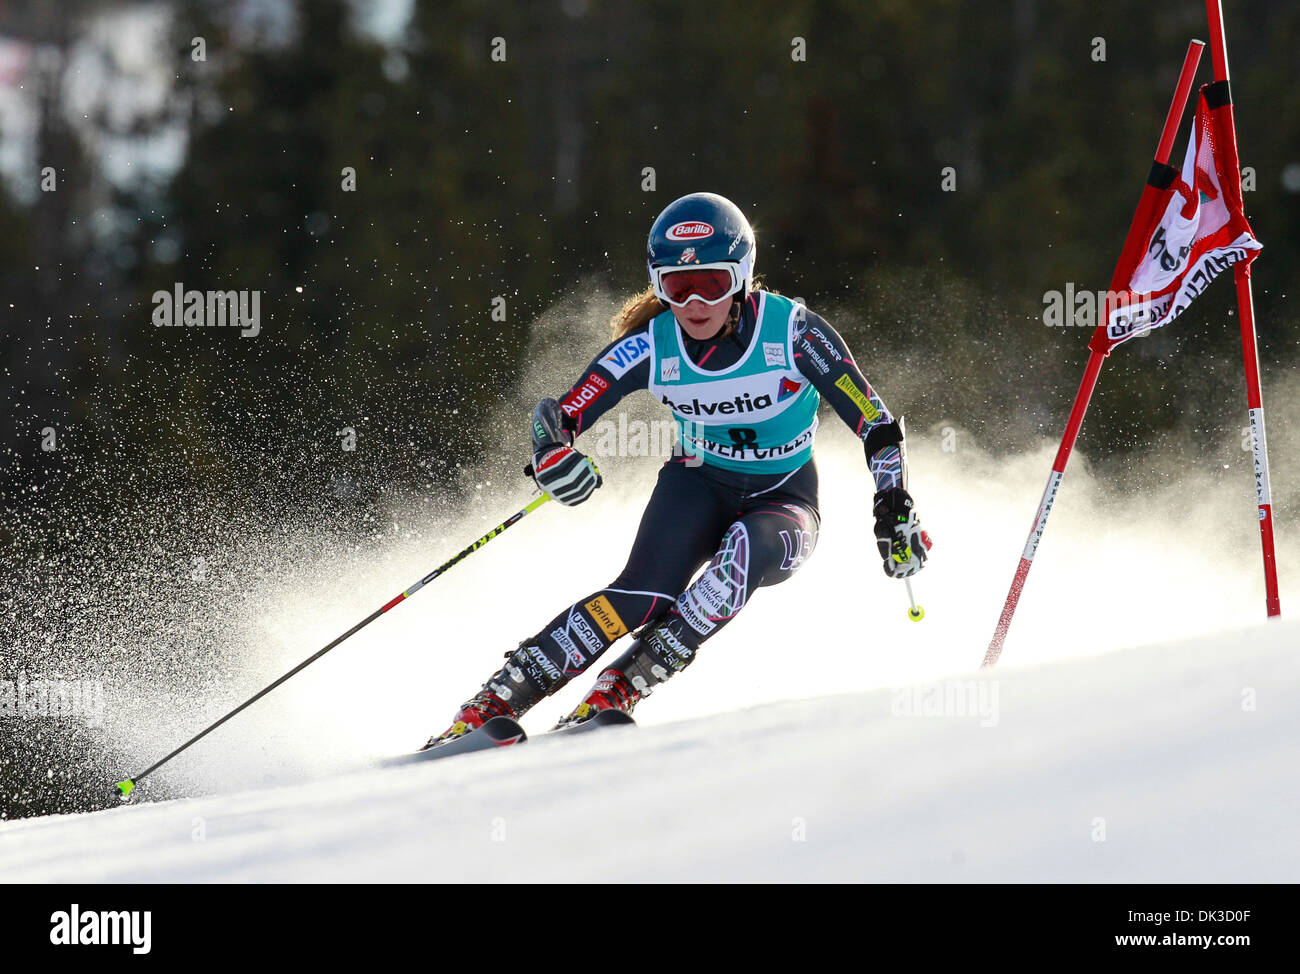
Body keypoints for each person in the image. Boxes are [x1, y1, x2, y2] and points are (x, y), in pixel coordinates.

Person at [424, 192, 931, 749]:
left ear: (741, 277)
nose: (693, 303)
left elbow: (875, 421)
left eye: (711, 284)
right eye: (674, 285)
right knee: (644, 595)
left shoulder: (793, 333)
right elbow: (562, 415)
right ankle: (495, 700)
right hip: (696, 485)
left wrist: (893, 501)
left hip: (785, 497)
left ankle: (620, 688)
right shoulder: (650, 346)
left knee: (745, 552)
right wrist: (553, 454)